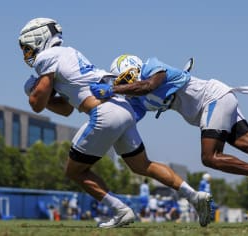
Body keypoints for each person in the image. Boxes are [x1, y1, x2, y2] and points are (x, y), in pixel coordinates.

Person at [19, 18, 212, 228]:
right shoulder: (68, 54)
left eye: (28, 48)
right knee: (142, 165)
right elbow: (65, 109)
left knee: (74, 171)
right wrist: (43, 97)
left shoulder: (47, 57)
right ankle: (194, 196)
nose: (28, 54)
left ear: (39, 38)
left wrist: (32, 92)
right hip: (123, 108)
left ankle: (121, 211)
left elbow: (37, 105)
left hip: (104, 113)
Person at [89, 54, 248, 207]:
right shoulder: (137, 97)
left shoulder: (153, 67)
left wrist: (115, 90)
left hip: (213, 99)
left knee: (210, 157)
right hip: (216, 103)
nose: (123, 84)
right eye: (120, 82)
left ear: (134, 69)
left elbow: (147, 85)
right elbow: (128, 116)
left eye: (124, 79)